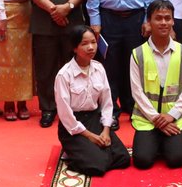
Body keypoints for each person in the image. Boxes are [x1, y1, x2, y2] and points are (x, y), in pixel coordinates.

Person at [23, 0, 88, 129]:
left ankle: (73, 107)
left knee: (72, 66)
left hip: (73, 24)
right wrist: (54, 9)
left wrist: (67, 7)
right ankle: (48, 108)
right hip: (44, 24)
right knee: (46, 69)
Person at [54, 24, 131, 176]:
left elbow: (107, 102)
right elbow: (65, 115)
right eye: (84, 44)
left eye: (93, 42)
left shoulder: (99, 68)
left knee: (123, 158)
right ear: (74, 48)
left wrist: (106, 130)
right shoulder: (64, 75)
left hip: (95, 119)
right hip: (74, 126)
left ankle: (88, 153)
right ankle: (73, 153)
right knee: (96, 166)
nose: (91, 48)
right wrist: (91, 137)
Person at [129, 0, 182, 169]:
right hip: (147, 118)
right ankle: (154, 140)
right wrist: (156, 119)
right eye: (158, 18)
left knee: (176, 160)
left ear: (173, 21)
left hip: (174, 119)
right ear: (149, 22)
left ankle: (161, 142)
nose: (164, 22)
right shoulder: (138, 54)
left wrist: (171, 116)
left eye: (168, 18)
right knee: (142, 161)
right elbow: (136, 91)